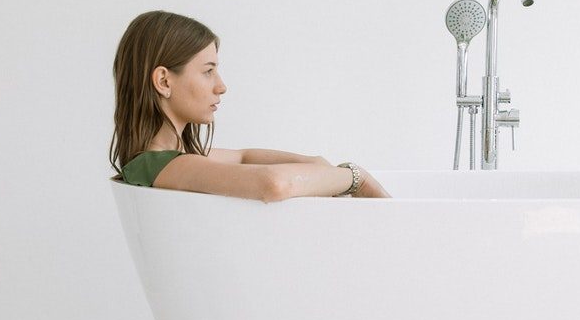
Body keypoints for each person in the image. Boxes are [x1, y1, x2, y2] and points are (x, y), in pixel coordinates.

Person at [110, 11, 391, 201]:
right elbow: (274, 184)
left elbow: (244, 157)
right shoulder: (160, 165)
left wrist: (315, 163)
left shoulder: (168, 161)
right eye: (208, 71)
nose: (221, 86)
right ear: (163, 81)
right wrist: (355, 178)